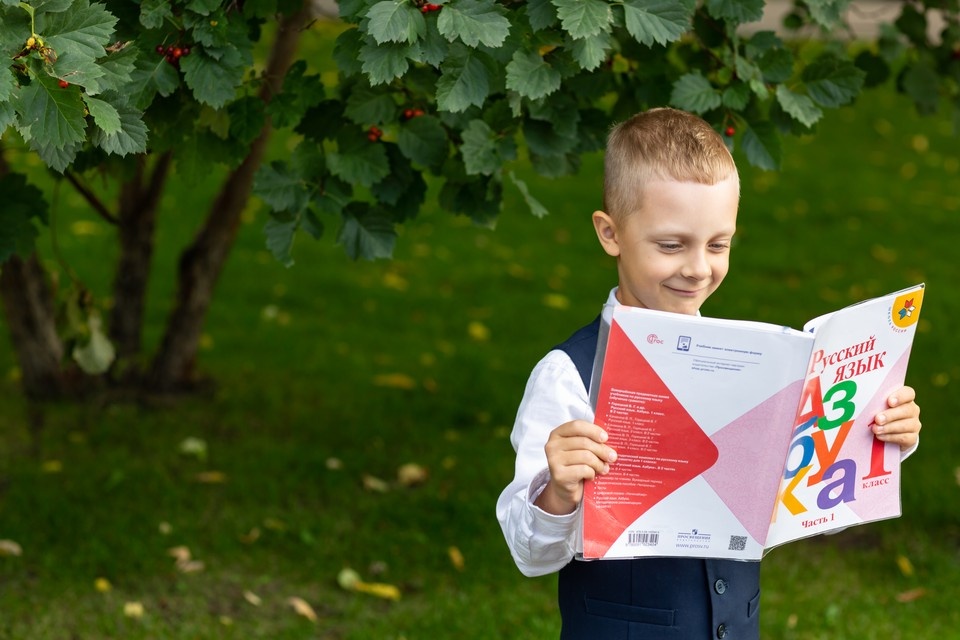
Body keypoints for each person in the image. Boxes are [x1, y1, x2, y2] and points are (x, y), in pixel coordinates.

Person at [495, 107, 922, 639]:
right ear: (610, 233)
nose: (698, 268)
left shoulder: (755, 367)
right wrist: (557, 494)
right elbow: (530, 555)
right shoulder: (568, 376)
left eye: (718, 244)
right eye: (671, 245)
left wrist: (877, 435)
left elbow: (804, 485)